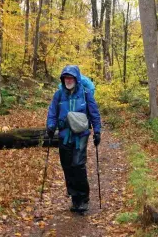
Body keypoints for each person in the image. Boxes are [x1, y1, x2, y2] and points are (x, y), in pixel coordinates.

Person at [46, 65, 101, 213]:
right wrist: (50, 126)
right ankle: (75, 198)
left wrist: (97, 131)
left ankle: (83, 198)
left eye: (71, 78)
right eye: (66, 78)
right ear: (63, 79)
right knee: (67, 167)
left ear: (76, 79)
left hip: (80, 136)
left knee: (78, 165)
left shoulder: (85, 93)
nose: (68, 80)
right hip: (64, 136)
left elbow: (94, 113)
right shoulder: (58, 95)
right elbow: (52, 112)